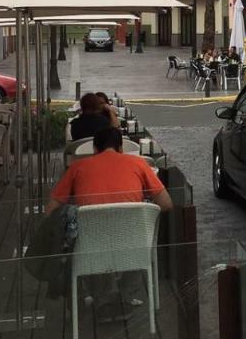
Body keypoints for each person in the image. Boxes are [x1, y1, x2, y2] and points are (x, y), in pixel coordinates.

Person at [46, 127, 173, 321]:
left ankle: (104, 299)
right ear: (121, 147)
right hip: (133, 247)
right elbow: (166, 204)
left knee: (82, 240)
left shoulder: (78, 168)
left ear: (95, 148)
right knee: (137, 238)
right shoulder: (138, 164)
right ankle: (124, 295)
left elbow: (51, 210)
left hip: (91, 250)